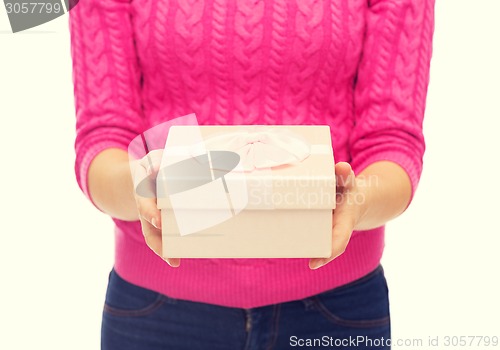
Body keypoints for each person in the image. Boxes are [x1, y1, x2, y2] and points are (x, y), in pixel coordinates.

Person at [69, 0, 435, 349]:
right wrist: (139, 186)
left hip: (336, 308)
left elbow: (392, 142)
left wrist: (359, 201)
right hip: (155, 314)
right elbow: (103, 138)